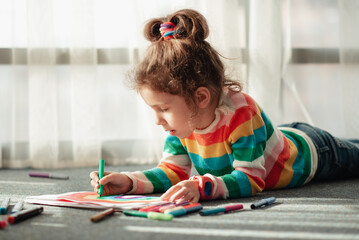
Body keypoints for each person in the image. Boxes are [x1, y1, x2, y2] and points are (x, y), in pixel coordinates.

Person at [90, 9, 359, 203]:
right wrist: (129, 181)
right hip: (272, 140)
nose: (158, 120)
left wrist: (201, 186)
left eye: (163, 109)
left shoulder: (240, 113)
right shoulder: (181, 126)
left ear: (201, 97)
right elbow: (171, 171)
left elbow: (252, 180)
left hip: (314, 153)